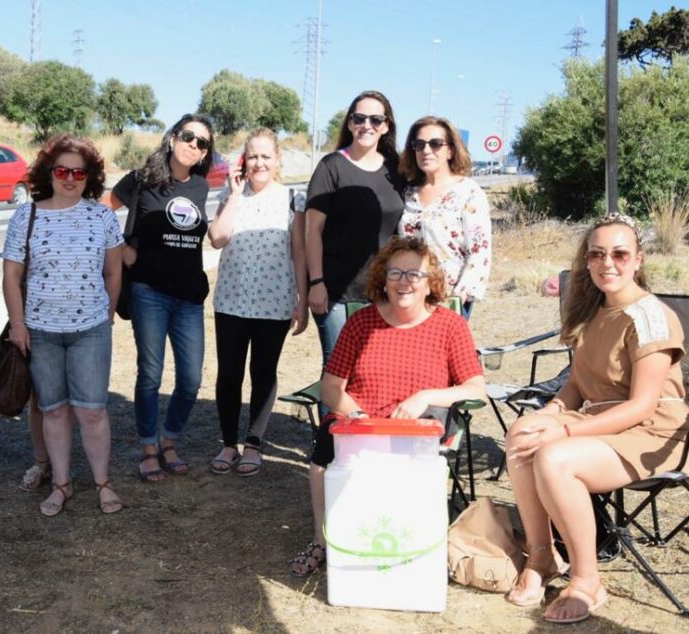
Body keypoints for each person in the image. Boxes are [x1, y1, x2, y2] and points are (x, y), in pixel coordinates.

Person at [504, 214, 687, 624]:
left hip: (653, 434)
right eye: (597, 254)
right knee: (522, 432)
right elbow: (577, 384)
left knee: (554, 457)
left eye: (620, 254)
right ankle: (542, 556)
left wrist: (566, 429)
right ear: (586, 260)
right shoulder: (592, 310)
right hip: (602, 422)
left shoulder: (650, 318)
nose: (609, 263)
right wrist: (552, 412)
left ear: (638, 260)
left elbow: (641, 406)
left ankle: (587, 580)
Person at [288, 236, 486, 577]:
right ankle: (323, 539)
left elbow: (476, 389)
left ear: (430, 283)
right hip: (360, 424)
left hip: (416, 428)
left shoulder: (449, 325)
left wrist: (426, 396)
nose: (404, 281)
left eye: (415, 274)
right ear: (382, 279)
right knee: (323, 448)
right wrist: (356, 415)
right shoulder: (361, 322)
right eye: (395, 273)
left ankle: (408, 540)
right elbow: (332, 386)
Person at [3, 134, 124, 516]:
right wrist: (18, 326)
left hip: (90, 330)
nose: (70, 178)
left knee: (92, 410)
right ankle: (61, 483)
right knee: (53, 410)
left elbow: (113, 270)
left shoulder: (102, 215)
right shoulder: (27, 215)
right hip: (40, 330)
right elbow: (11, 276)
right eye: (62, 170)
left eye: (79, 172)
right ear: (49, 173)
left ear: (90, 177)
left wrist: (107, 314)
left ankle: (103, 482)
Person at [109, 114, 214, 482]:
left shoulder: (201, 188)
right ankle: (149, 447)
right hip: (149, 292)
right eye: (188, 137)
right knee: (150, 374)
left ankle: (170, 438)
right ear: (172, 138)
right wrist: (121, 248)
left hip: (189, 296)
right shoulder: (142, 179)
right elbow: (104, 211)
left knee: (190, 379)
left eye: (202, 143)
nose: (194, 146)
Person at [207, 128, 308, 476]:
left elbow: (298, 252)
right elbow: (218, 238)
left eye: (266, 156)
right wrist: (235, 195)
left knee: (263, 373)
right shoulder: (230, 194)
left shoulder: (292, 198)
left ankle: (253, 444)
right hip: (232, 302)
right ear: (243, 160)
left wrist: (303, 299)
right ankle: (228, 443)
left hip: (275, 302)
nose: (259, 162)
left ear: (277, 160)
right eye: (253, 156)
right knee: (229, 374)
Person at [305, 90, 405, 376]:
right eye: (359, 118)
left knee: (375, 370)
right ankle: (333, 424)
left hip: (384, 292)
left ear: (386, 126)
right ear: (349, 123)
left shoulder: (396, 169)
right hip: (335, 291)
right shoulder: (331, 166)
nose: (367, 125)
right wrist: (316, 282)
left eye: (376, 119)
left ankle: (368, 423)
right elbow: (313, 230)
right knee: (338, 370)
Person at [398, 116, 491, 319]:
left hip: (450, 295)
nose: (426, 150)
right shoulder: (407, 193)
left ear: (450, 150)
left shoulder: (468, 192)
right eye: (419, 144)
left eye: (435, 144)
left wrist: (462, 293)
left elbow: (480, 251)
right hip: (410, 293)